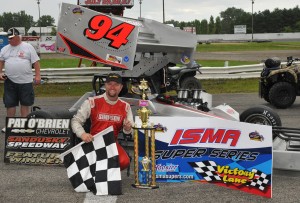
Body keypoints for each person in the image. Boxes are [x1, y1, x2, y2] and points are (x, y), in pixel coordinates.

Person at [71, 73, 134, 170]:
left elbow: (130, 131)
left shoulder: (125, 106)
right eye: (110, 84)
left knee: (124, 161)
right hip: (93, 143)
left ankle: (107, 174)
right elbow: (75, 121)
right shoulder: (92, 102)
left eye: (116, 85)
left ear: (121, 87)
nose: (112, 87)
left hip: (112, 144)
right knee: (86, 167)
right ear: (105, 85)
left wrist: (127, 128)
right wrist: (82, 134)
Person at [0, 28, 41, 133]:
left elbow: (36, 62)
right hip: (10, 81)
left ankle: (24, 125)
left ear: (18, 37)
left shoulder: (28, 47)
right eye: (8, 38)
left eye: (11, 38)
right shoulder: (5, 49)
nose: (9, 40)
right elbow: (1, 62)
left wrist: (37, 76)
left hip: (26, 81)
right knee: (10, 104)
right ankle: (10, 125)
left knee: (25, 104)